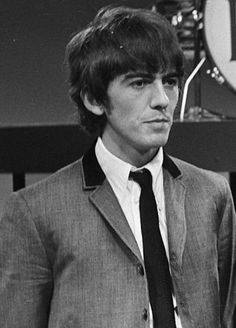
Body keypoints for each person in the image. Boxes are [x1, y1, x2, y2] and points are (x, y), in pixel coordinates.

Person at [0, 5, 235, 328]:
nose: (162, 100)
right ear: (93, 99)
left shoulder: (211, 194)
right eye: (139, 83)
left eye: (169, 81)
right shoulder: (35, 211)